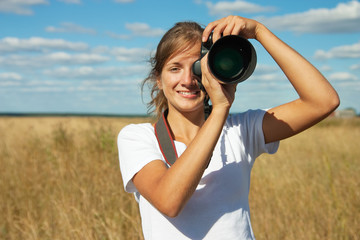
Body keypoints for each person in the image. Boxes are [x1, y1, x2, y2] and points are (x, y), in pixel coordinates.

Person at [117, 15, 339, 240]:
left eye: (197, 68)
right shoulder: (138, 137)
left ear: (214, 70)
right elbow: (169, 201)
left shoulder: (240, 130)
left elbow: (323, 102)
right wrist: (220, 108)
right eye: (175, 68)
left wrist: (260, 32)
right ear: (158, 78)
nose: (187, 80)